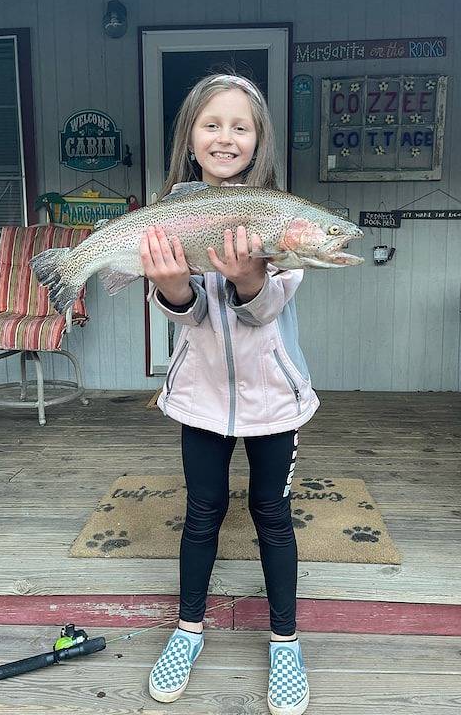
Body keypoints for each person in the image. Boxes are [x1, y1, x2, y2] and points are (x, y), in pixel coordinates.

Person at [139, 73, 319, 715]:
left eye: (240, 126)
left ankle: (285, 641)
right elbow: (182, 315)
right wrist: (176, 288)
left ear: (259, 139)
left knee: (274, 517)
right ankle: (187, 631)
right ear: (190, 137)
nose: (226, 137)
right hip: (200, 398)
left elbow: (266, 310)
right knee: (202, 512)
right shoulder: (169, 213)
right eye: (212, 124)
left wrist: (249, 277)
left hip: (274, 399)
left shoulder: (280, 216)